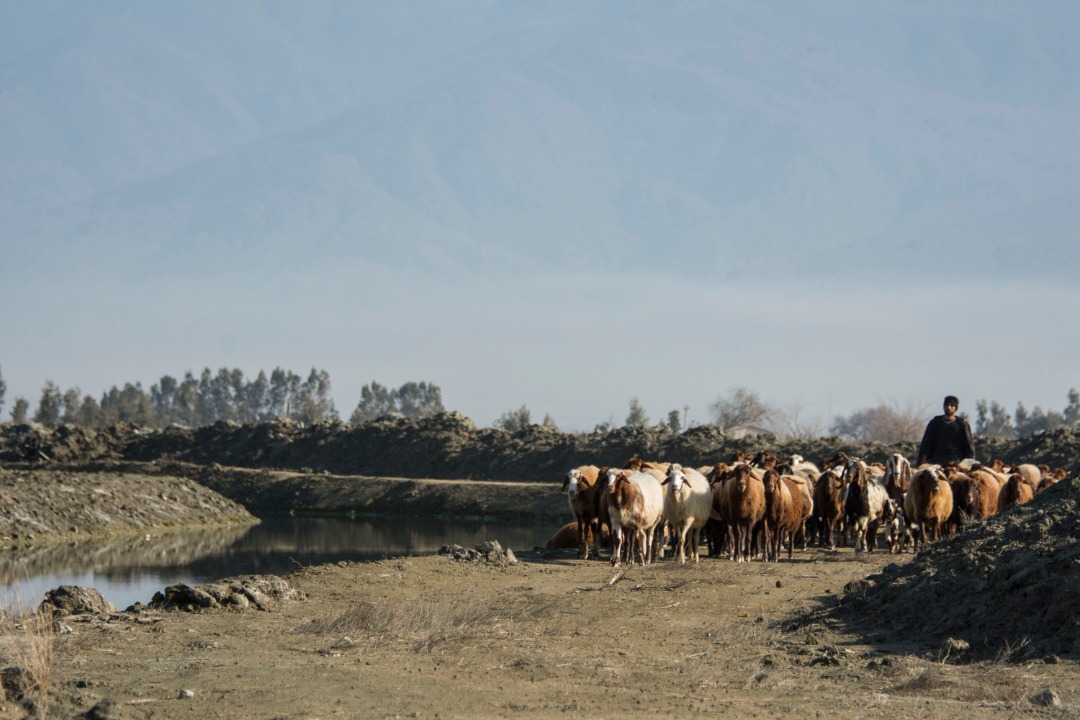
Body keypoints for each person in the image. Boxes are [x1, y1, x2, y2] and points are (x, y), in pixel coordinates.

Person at [916, 395, 975, 466]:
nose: (948, 407)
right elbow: (928, 442)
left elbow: (967, 445)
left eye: (951, 405)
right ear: (943, 406)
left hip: (956, 462)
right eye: (946, 405)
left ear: (955, 408)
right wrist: (923, 459)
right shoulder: (935, 423)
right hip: (936, 461)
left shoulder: (961, 424)